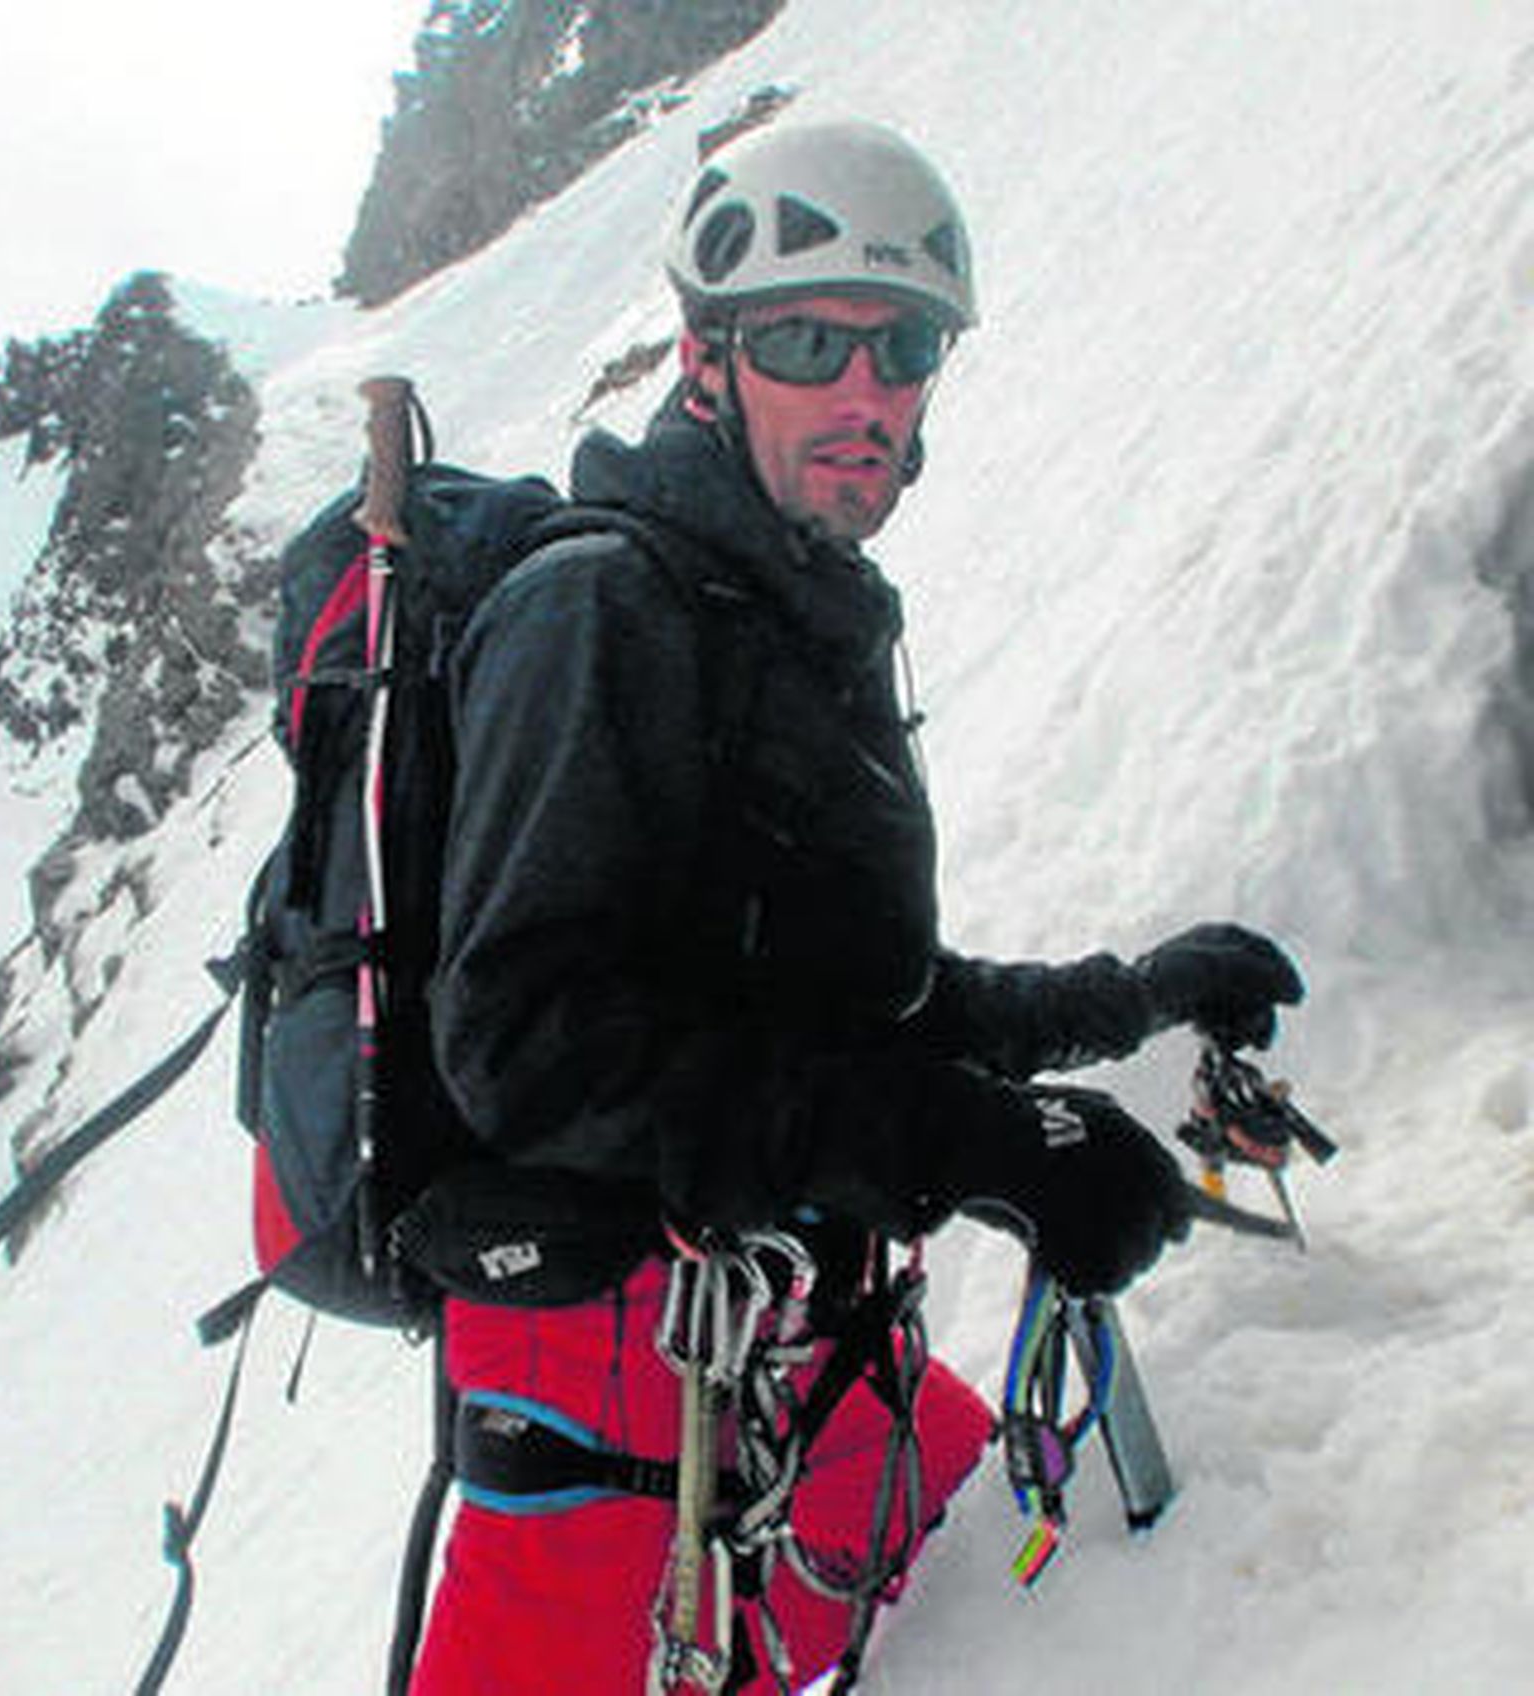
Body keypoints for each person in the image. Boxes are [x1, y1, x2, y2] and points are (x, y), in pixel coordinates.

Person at [407, 119, 1303, 1694]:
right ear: (705, 357)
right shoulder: (604, 609)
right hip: (608, 1421)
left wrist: (1138, 995)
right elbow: (529, 1044)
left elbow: (875, 1002)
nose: (866, 391)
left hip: (791, 1374)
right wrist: (968, 1144)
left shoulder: (786, 619)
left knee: (1027, 1592)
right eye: (811, 342)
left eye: (903, 351)